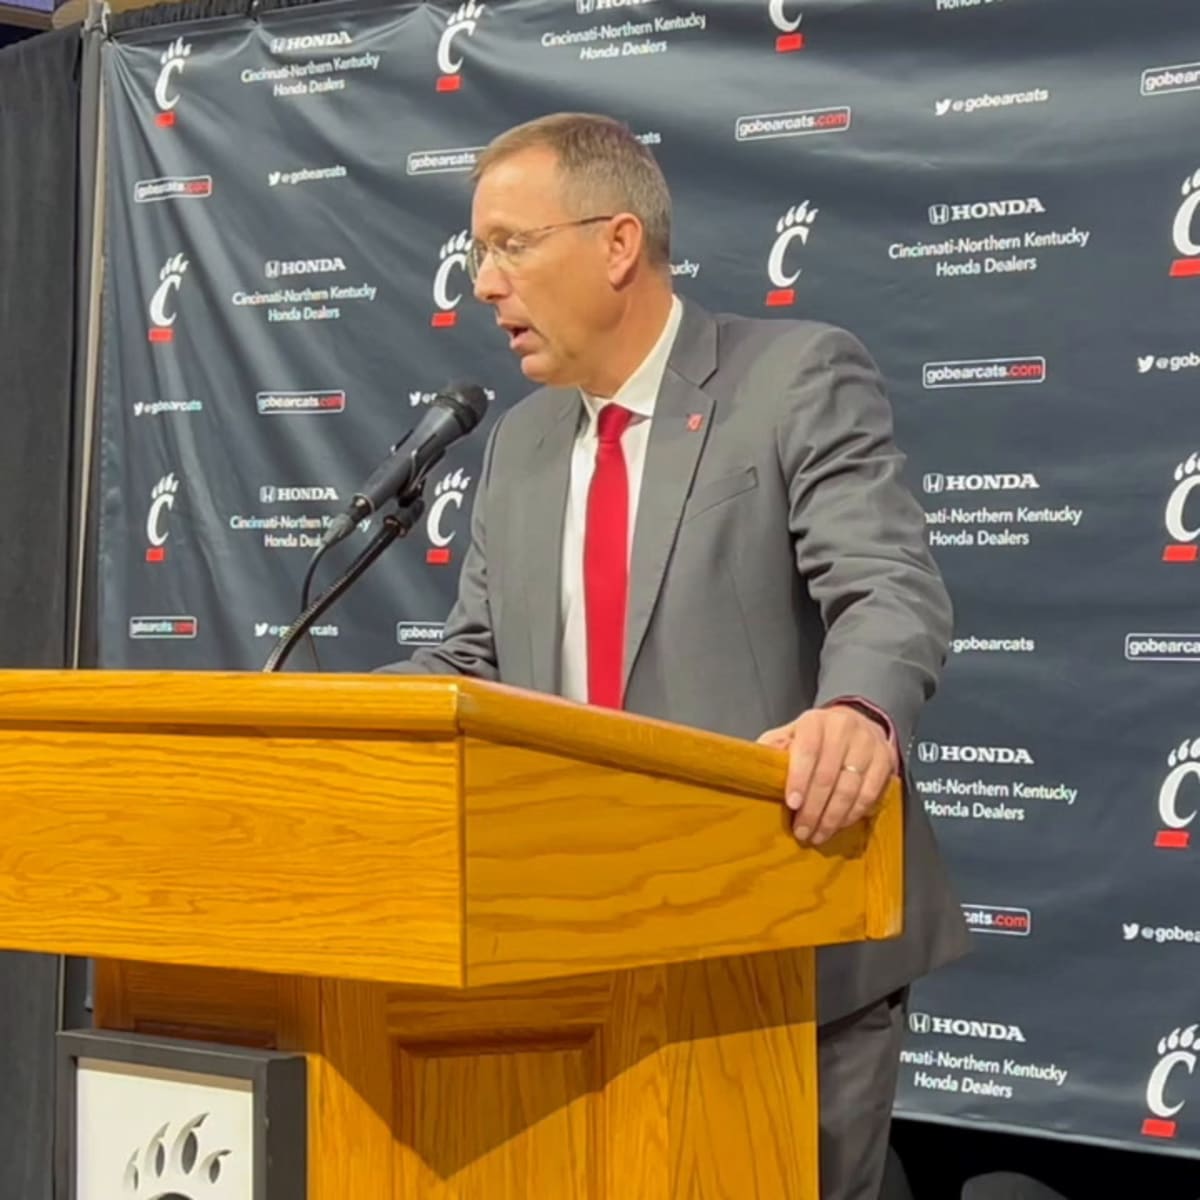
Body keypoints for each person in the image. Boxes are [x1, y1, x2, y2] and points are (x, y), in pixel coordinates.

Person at [379, 112, 968, 1200]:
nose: (482, 283)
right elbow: (476, 664)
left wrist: (861, 713)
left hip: (785, 944)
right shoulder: (520, 444)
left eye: (509, 245)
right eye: (475, 253)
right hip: (580, 949)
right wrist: (343, 730)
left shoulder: (792, 377)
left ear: (615, 244)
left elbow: (887, 587)